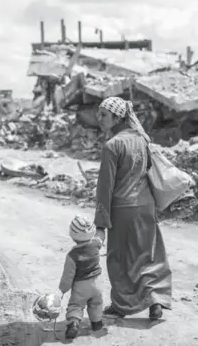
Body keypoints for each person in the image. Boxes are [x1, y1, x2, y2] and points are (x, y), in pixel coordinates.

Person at [94, 96, 172, 320]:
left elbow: (105, 188)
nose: (99, 119)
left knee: (119, 259)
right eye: (99, 114)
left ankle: (122, 305)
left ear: (118, 117)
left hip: (123, 209)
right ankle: (154, 300)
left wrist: (101, 223)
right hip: (146, 207)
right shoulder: (142, 139)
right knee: (148, 256)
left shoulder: (112, 145)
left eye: (104, 115)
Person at [59, 215, 104, 339]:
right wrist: (101, 227)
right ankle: (97, 323)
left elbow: (68, 275)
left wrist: (63, 288)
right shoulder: (96, 244)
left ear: (73, 236)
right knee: (96, 304)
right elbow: (100, 238)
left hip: (81, 286)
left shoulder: (72, 255)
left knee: (76, 305)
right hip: (97, 283)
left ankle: (73, 323)